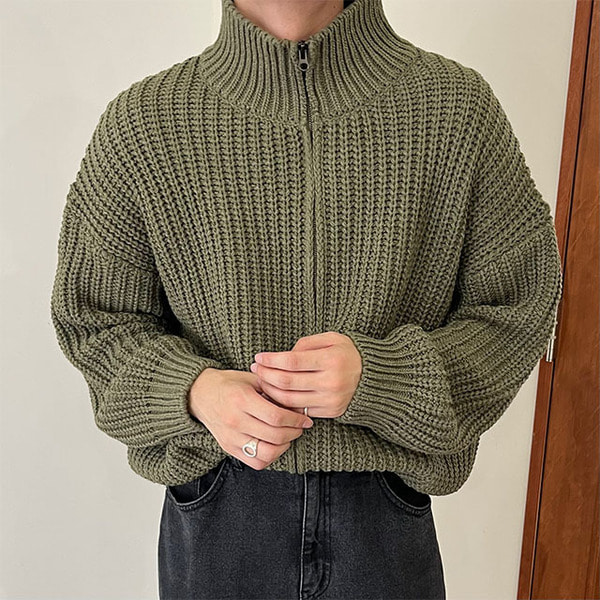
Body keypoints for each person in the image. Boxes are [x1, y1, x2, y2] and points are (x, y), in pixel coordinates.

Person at [49, 0, 563, 598]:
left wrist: (386, 378)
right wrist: (193, 392)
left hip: (383, 506)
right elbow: (94, 320)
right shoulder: (144, 124)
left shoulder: (456, 109)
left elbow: (518, 304)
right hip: (218, 503)